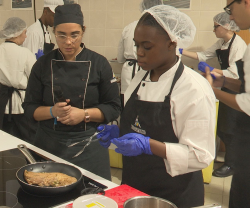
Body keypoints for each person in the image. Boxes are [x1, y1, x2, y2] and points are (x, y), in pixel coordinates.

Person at [97, 5, 216, 208]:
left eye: (147, 47)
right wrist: (119, 133)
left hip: (174, 193)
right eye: (136, 46)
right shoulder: (140, 76)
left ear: (172, 44)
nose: (139, 53)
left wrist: (148, 145)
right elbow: (138, 125)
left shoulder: (193, 88)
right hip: (134, 187)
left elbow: (200, 156)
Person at [22, 4, 121, 180]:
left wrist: (84, 114)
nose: (68, 42)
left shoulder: (99, 64)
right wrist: (52, 111)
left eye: (74, 35)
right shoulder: (42, 65)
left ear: (83, 31)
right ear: (54, 32)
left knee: (93, 200)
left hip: (90, 148)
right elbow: (30, 109)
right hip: (48, 146)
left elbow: (113, 107)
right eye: (62, 35)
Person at [181, 12, 246, 178]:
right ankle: (230, 162)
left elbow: (234, 73)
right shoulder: (221, 43)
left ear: (225, 27)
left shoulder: (238, 44)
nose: (213, 29)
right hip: (224, 86)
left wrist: (211, 70)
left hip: (234, 88)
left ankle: (231, 165)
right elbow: (203, 55)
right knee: (223, 128)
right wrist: (181, 51)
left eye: (216, 26)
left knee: (229, 129)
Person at [201, 0, 250, 206]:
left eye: (230, 10)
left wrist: (212, 90)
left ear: (246, 3)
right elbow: (246, 85)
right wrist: (225, 81)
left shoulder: (240, 44)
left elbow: (248, 102)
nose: (230, 17)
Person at [0, 17, 37, 143]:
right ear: (17, 33)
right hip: (23, 104)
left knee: (6, 142)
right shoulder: (26, 53)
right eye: (25, 33)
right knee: (27, 141)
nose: (25, 37)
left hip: (4, 104)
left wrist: (0, 95)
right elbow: (35, 81)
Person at [117, 0, 163, 103]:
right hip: (151, 71)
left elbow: (120, 58)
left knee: (127, 105)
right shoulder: (161, 28)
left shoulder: (129, 27)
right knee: (147, 104)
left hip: (129, 71)